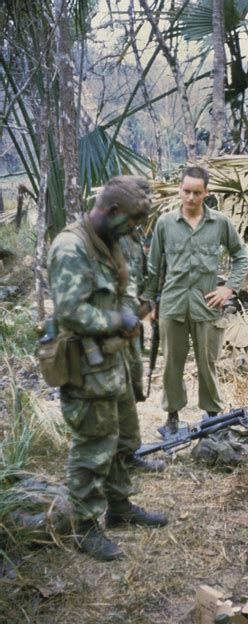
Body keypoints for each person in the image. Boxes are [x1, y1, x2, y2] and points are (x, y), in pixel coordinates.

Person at [47, 177, 168, 562]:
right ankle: (84, 527)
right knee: (92, 446)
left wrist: (134, 311)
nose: (136, 230)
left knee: (117, 439)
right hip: (85, 365)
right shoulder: (71, 247)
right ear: (111, 211)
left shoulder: (115, 240)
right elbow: (71, 311)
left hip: (113, 361)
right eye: (132, 221)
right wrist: (118, 319)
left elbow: (123, 288)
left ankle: (119, 508)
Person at [145, 165, 248, 433]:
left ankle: (212, 416)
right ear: (179, 190)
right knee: (172, 364)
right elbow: (154, 267)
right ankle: (172, 418)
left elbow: (241, 256)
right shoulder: (165, 223)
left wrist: (228, 288)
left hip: (207, 304)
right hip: (172, 304)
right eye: (186, 191)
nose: (190, 198)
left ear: (207, 192)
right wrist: (149, 303)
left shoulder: (220, 223)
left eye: (196, 192)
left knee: (208, 363)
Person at [110, 176, 166, 474]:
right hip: (109, 331)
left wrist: (149, 305)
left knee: (130, 391)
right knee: (113, 393)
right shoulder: (105, 238)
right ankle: (110, 457)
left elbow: (142, 279)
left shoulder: (134, 239)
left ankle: (129, 453)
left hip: (132, 329)